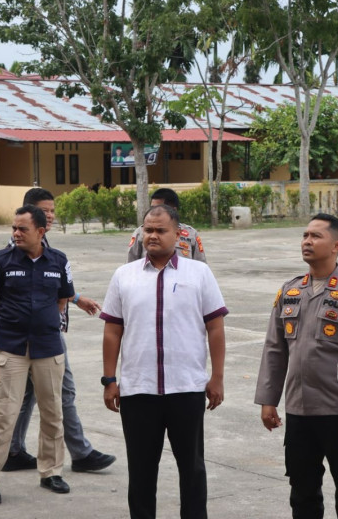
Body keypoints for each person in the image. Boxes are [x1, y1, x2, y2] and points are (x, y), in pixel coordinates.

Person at [101, 204, 227, 519]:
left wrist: (217, 377)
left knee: (193, 469)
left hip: (187, 388)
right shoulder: (124, 275)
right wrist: (109, 380)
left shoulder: (198, 273)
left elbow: (215, 328)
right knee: (141, 472)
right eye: (148, 229)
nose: (152, 236)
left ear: (178, 234)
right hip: (138, 390)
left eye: (160, 230)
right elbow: (113, 332)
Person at [255, 214, 338, 519]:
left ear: (337, 246)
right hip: (299, 410)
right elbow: (274, 349)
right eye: (305, 235)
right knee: (302, 489)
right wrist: (269, 400)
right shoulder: (289, 290)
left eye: (316, 236)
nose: (307, 241)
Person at [2, 188, 116, 474]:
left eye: (52, 210)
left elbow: (49, 285)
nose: (51, 215)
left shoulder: (46, 246)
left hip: (47, 334)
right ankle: (80, 453)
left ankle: (12, 450)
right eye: (45, 210)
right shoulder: (13, 251)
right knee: (62, 392)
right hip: (35, 337)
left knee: (27, 394)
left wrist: (76, 299)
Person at [0, 205, 75, 503]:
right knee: (3, 415)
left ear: (41, 232)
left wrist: (45, 322)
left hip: (48, 348)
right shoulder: (1, 260)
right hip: (12, 348)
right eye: (14, 228)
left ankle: (51, 472)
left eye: (22, 229)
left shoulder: (58, 260)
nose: (16, 234)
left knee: (53, 412)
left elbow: (63, 298)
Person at [127, 188, 206, 263]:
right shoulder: (140, 232)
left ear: (173, 210)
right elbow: (130, 265)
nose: (154, 211)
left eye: (159, 208)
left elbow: (201, 265)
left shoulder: (191, 234)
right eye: (152, 208)